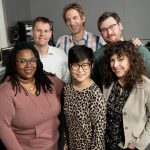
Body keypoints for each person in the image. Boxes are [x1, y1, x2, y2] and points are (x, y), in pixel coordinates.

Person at [0, 42, 64, 150]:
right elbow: (3, 128)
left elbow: (68, 90)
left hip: (56, 145)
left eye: (32, 60)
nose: (28, 65)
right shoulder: (6, 91)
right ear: (14, 64)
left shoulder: (48, 81)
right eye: (22, 61)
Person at [103, 41, 150, 150]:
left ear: (131, 60)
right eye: (112, 60)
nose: (115, 65)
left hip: (130, 146)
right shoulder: (107, 84)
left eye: (120, 59)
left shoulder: (145, 85)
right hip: (107, 144)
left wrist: (139, 144)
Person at [63, 45, 106, 150]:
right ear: (69, 66)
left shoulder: (95, 94)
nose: (80, 70)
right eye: (76, 65)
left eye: (85, 65)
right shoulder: (67, 89)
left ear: (92, 66)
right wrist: (65, 142)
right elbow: (66, 121)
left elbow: (99, 133)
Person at [93, 11, 150, 88]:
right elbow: (96, 86)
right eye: (104, 30)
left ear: (120, 26)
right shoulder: (97, 56)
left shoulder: (139, 50)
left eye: (112, 26)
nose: (109, 32)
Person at [32, 16, 70, 83]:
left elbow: (67, 80)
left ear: (50, 34)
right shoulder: (26, 56)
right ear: (32, 32)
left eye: (46, 31)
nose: (42, 34)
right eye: (38, 30)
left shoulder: (61, 54)